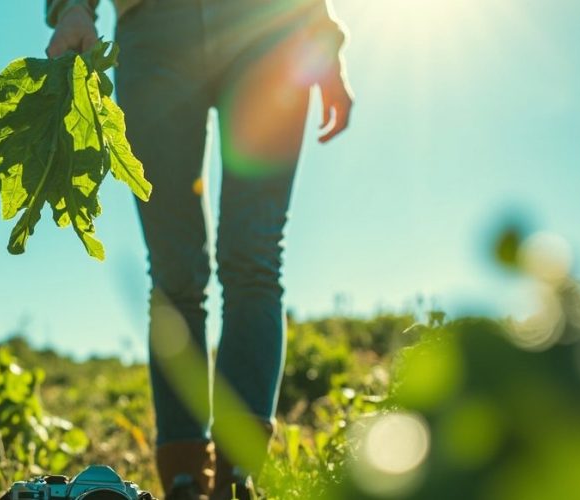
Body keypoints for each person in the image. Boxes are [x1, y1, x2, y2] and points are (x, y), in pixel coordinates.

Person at [45, 0, 353, 498]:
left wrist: (322, 33)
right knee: (175, 273)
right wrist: (73, 8)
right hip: (155, 31)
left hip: (269, 27)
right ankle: (185, 474)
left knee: (254, 257)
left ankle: (238, 472)